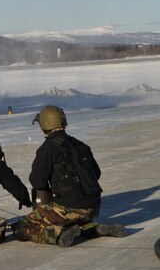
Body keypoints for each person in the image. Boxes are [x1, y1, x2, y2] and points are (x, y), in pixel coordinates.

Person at [11, 105, 125, 247]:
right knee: (73, 216)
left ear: (44, 125)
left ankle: (59, 235)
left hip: (68, 209)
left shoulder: (47, 148)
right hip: (93, 207)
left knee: (23, 226)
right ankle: (92, 228)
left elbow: (37, 181)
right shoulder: (81, 145)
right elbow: (97, 173)